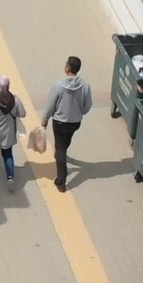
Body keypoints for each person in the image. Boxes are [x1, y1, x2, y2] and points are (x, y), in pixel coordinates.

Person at [40, 55, 93, 193]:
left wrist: (45, 119)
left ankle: (61, 181)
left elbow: (51, 104)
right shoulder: (85, 86)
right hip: (75, 122)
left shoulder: (58, 85)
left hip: (60, 122)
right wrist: (79, 112)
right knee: (65, 143)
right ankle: (60, 155)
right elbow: (88, 106)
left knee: (60, 149)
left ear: (68, 67)